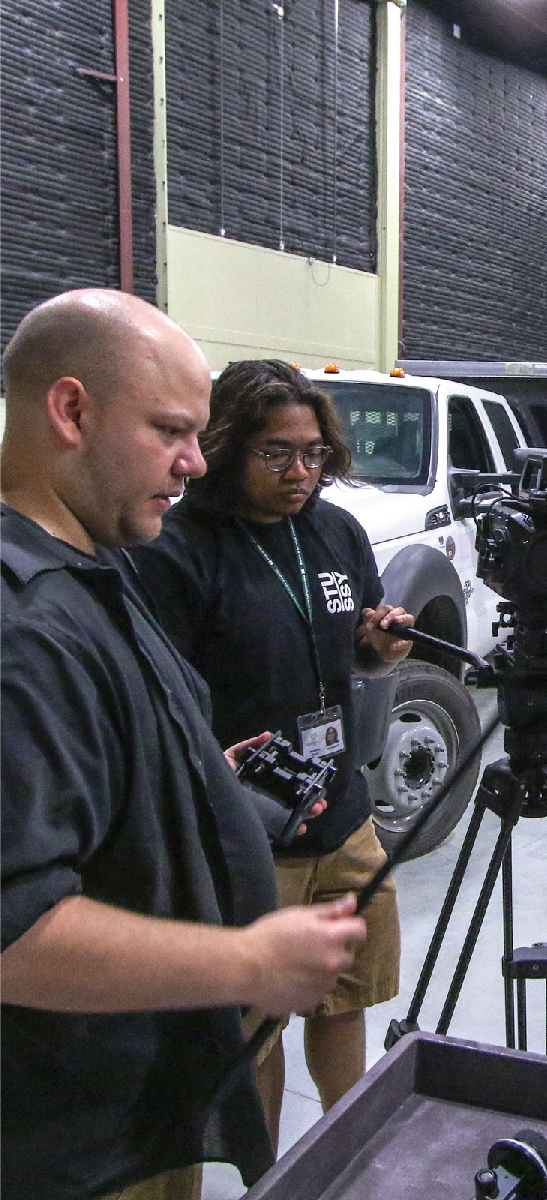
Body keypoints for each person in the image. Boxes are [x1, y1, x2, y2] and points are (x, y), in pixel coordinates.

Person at [0, 290, 369, 1200]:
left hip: (138, 1103)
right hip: (71, 1140)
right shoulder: (24, 625)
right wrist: (248, 962)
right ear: (72, 410)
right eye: (170, 429)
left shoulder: (92, 564)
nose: (194, 462)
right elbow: (15, 927)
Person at [128, 360, 412, 1149]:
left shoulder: (335, 530)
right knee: (259, 1020)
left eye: (315, 453)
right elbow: (161, 701)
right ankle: (271, 1172)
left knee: (343, 997)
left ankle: (348, 1153)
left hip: (342, 815)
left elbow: (352, 650)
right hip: (246, 831)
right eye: (276, 454)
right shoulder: (178, 548)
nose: (300, 472)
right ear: (224, 447)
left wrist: (376, 648)